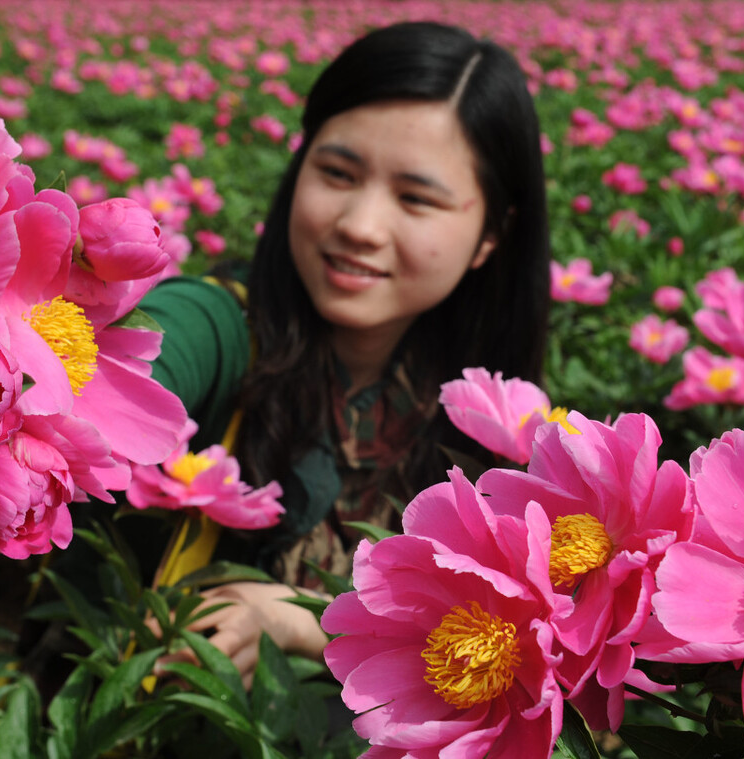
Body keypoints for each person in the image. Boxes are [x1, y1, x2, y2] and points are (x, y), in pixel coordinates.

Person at [134, 20, 550, 683]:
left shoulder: (500, 432)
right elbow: (138, 357)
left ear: (490, 236)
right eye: (336, 172)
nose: (358, 225)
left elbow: (528, 648)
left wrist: (300, 619)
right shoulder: (219, 328)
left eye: (415, 198)